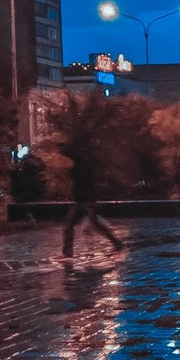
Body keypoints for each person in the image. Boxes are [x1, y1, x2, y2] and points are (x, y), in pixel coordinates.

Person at [59, 97, 123, 258]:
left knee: (88, 225)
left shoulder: (82, 165)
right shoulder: (81, 163)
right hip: (83, 200)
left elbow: (84, 181)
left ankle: (117, 244)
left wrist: (88, 201)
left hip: (85, 201)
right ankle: (68, 253)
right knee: (74, 225)